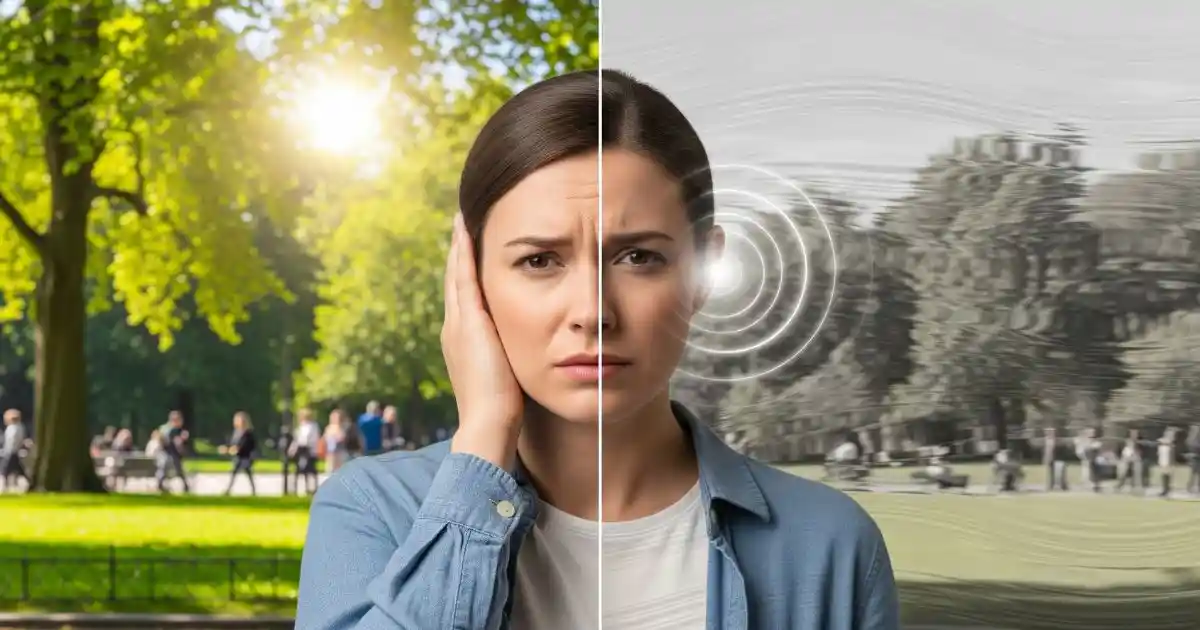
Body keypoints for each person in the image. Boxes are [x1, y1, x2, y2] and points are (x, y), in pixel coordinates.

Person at [296, 69, 898, 630]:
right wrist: (483, 437)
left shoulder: (832, 547)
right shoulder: (371, 511)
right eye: (539, 260)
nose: (592, 312)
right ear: (470, 279)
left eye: (639, 257)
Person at [221, 411, 258, 496]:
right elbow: (233, 443)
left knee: (240, 472)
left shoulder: (248, 433)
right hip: (238, 457)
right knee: (238, 473)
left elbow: (248, 445)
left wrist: (238, 449)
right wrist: (228, 449)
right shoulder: (236, 432)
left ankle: (229, 490)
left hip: (245, 457)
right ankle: (252, 490)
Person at [154, 410, 190, 494]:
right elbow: (165, 441)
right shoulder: (167, 429)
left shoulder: (175, 429)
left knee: (177, 468)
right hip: (166, 453)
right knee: (165, 465)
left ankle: (185, 485)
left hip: (172, 454)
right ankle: (161, 484)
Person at [291, 408, 321, 495]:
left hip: (310, 451)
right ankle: (299, 488)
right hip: (301, 451)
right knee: (300, 469)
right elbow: (297, 439)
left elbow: (311, 439)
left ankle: (311, 488)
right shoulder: (301, 427)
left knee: (310, 470)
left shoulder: (313, 426)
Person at [1, 409, 29, 492]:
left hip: (10, 452)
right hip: (14, 452)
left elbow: (11, 441)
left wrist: (6, 451)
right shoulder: (20, 427)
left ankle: (2, 486)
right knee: (18, 470)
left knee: (4, 470)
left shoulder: (12, 428)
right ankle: (27, 482)